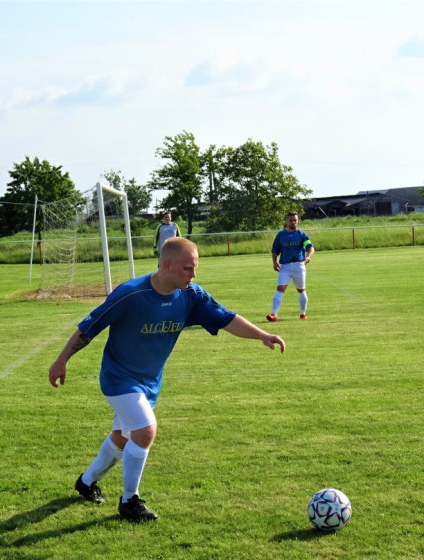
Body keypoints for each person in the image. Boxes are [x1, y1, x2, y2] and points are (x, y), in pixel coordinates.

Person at [48, 237, 286, 522]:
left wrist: (262, 335)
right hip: (118, 377)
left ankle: (86, 483)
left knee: (122, 437)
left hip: (149, 383)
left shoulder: (191, 296)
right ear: (167, 264)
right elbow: (90, 327)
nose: (193, 275)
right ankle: (129, 501)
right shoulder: (130, 294)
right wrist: (62, 360)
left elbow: (226, 318)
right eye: (187, 268)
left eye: (194, 268)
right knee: (146, 431)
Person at [267, 211, 314, 322]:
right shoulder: (280, 235)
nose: (292, 222)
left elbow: (310, 248)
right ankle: (274, 314)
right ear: (286, 221)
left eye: (295, 220)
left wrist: (308, 257)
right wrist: (274, 262)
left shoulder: (302, 235)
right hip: (285, 267)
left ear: (298, 221)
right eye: (290, 220)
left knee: (301, 290)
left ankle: (303, 313)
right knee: (280, 289)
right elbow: (274, 250)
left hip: (299, 265)